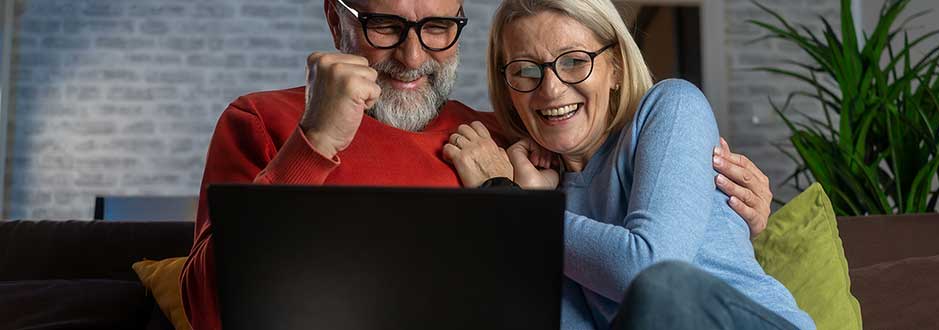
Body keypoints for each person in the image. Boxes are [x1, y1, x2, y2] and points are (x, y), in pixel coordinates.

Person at [179, 0, 778, 329]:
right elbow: (208, 311)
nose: (413, 54)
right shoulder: (263, 120)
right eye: (387, 25)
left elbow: (647, 264)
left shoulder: (500, 146)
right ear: (338, 20)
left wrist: (727, 213)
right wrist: (314, 141)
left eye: (437, 27)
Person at [442, 0, 814, 329]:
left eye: (574, 62)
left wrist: (512, 202)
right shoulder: (544, 187)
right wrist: (535, 201)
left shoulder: (671, 107)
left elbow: (648, 271)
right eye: (526, 70)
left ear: (616, 68)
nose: (551, 89)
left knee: (660, 287)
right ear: (507, 86)